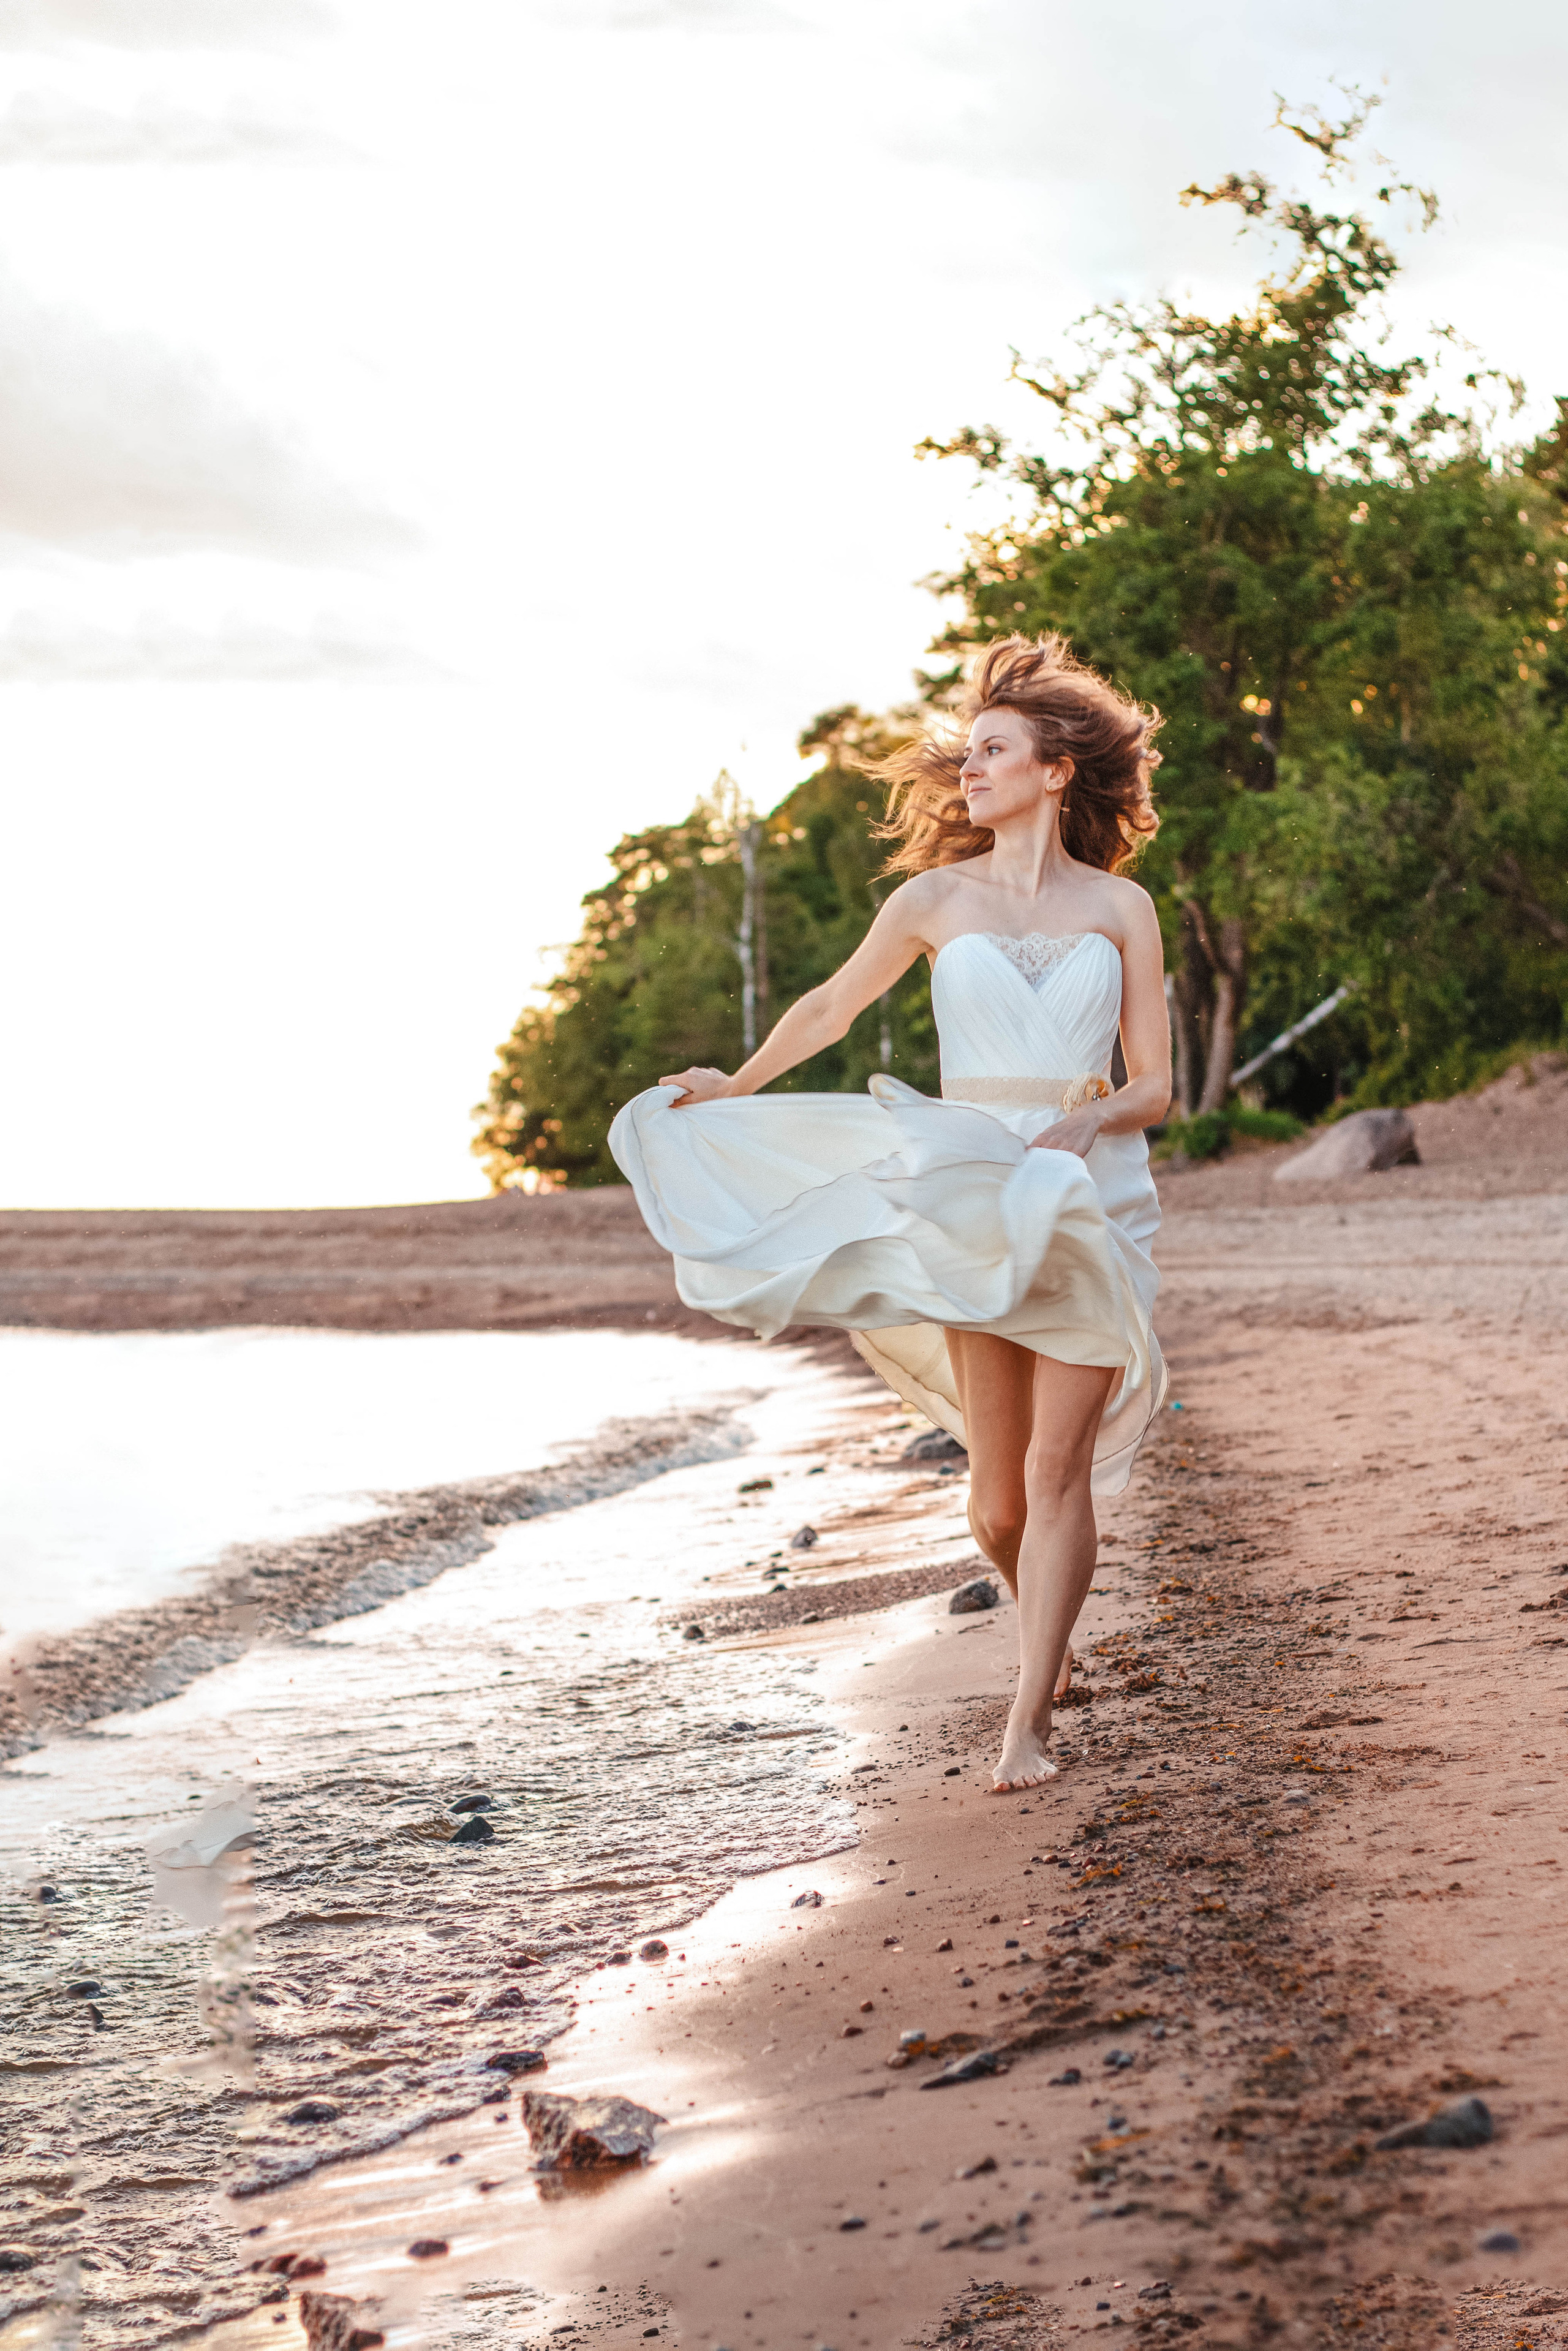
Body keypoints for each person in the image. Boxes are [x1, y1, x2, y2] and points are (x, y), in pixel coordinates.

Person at [609, 634, 1171, 1791]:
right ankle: (1043, 1627)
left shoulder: (1123, 907)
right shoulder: (934, 897)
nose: (969, 771)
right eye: (968, 754)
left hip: (1084, 1193)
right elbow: (828, 1006)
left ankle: (1028, 1722)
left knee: (1060, 1475)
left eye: (993, 752)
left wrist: (1093, 1122)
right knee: (998, 1504)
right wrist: (738, 1083)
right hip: (970, 1188)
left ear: (1057, 770)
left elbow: (1159, 1082)